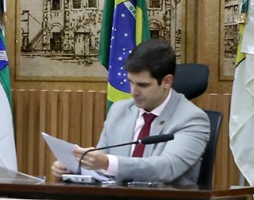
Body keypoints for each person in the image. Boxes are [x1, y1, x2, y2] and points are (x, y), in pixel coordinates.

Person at [50, 39, 209, 187]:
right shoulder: (119, 111)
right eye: (131, 82)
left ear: (167, 81)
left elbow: (166, 168)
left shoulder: (192, 119)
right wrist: (75, 167)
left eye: (143, 85)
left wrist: (107, 163)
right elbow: (100, 165)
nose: (134, 92)